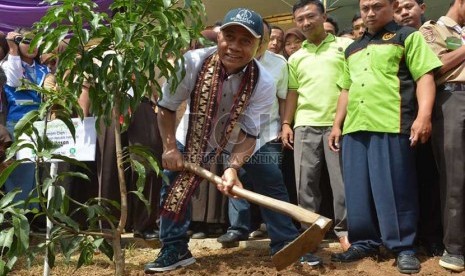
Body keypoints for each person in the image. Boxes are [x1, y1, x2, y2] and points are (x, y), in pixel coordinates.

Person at [144, 8, 302, 273]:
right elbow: (167, 107)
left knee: (270, 180)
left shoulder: (263, 82)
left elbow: (250, 134)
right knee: (174, 185)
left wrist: (232, 168)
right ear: (218, 37)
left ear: (258, 45)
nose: (234, 47)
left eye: (246, 41)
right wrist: (170, 147)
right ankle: (175, 248)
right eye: (229, 37)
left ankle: (286, 244)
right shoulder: (192, 62)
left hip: (239, 139)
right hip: (192, 135)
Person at [328, 0, 442, 274]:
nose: (369, 12)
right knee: (358, 190)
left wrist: (423, 116)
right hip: (356, 126)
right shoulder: (353, 47)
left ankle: (403, 246)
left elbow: (424, 76)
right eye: (365, 7)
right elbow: (346, 88)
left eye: (376, 6)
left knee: (395, 188)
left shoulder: (407, 37)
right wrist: (336, 125)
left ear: (392, 6)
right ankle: (364, 242)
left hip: (390, 122)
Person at [217, 19, 296, 247]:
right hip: (232, 134)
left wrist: (285, 124)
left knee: (272, 182)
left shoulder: (279, 63)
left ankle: (282, 238)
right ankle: (237, 228)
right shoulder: (229, 60)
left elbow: (284, 96)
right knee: (234, 179)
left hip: (267, 133)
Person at [281, 0, 352, 252]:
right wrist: (287, 123)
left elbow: (349, 85)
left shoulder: (345, 46)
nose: (306, 23)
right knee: (305, 184)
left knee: (341, 183)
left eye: (310, 16)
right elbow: (293, 92)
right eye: (300, 19)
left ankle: (345, 232)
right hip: (305, 125)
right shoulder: (296, 57)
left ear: (323, 16)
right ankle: (310, 233)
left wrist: (339, 122)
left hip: (337, 125)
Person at [394, 0, 444, 258]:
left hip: (435, 117)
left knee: (430, 180)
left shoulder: (436, 33)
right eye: (398, 8)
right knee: (405, 182)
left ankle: (434, 237)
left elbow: (436, 70)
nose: (404, 12)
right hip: (400, 122)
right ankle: (408, 240)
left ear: (422, 8)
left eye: (409, 6)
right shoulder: (394, 39)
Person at [419, 0, 465, 272]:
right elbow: (434, 66)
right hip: (453, 98)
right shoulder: (432, 29)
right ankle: (456, 248)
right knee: (455, 177)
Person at [1, 28, 49, 212]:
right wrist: (12, 49)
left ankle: (34, 213)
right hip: (19, 123)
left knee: (37, 170)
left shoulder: (43, 69)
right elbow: (14, 81)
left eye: (36, 41)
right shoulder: (9, 65)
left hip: (41, 124)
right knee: (20, 169)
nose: (33, 45)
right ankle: (17, 214)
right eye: (27, 41)